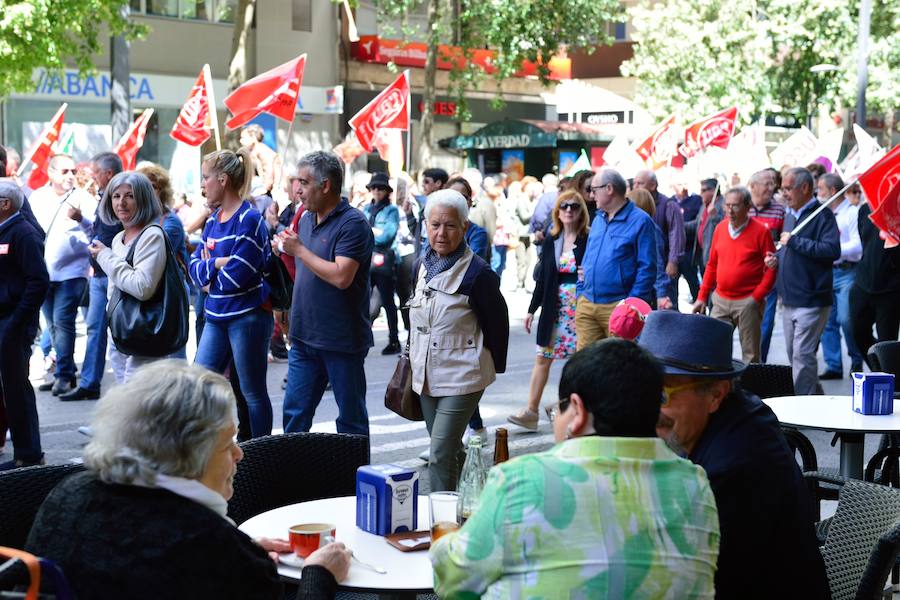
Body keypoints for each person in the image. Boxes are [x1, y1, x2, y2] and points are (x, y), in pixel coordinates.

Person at [26, 360, 350, 600]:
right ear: (190, 455)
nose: (239, 455)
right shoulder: (210, 546)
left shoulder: (67, 495)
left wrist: (242, 552)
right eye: (228, 444)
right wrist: (319, 576)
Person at [431, 338, 720, 598]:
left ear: (578, 411)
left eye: (558, 409)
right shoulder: (695, 485)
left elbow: (454, 582)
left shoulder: (523, 478)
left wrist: (444, 540)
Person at [639, 311, 828, 599]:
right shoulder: (741, 410)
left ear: (716, 394)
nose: (648, 408)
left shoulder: (731, 470)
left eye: (663, 396)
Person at [408, 189, 508, 491]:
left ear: (465, 227)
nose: (441, 233)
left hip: (463, 374)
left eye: (450, 225)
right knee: (450, 448)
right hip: (425, 373)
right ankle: (475, 498)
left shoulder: (478, 273)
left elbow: (497, 324)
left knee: (438, 455)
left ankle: (444, 526)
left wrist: (487, 364)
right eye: (435, 225)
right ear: (426, 225)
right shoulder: (420, 265)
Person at [278, 151, 374, 437]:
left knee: (350, 420)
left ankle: (353, 478)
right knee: (294, 415)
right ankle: (296, 475)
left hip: (341, 340)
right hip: (304, 337)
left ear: (326, 185)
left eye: (304, 183)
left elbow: (342, 276)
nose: (297, 190)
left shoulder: (353, 223)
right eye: (296, 181)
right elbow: (304, 270)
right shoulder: (305, 219)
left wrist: (300, 251)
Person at [190, 148, 274, 439]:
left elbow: (235, 278)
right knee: (198, 384)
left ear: (223, 180)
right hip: (216, 316)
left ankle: (261, 453)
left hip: (247, 319)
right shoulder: (212, 220)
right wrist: (216, 264)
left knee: (252, 392)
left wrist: (210, 274)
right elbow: (195, 269)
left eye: (205, 178)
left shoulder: (249, 219)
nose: (202, 185)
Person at [89, 171, 185, 378]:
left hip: (142, 331)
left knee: (140, 402)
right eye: (116, 196)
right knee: (127, 399)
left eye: (130, 196)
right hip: (121, 330)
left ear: (143, 199)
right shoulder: (118, 239)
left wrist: (105, 256)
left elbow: (142, 287)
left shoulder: (152, 236)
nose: (121, 202)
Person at [508, 190, 589, 432]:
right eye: (563, 206)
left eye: (574, 206)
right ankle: (531, 411)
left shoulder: (589, 239)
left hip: (580, 308)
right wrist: (532, 309)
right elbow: (542, 278)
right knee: (543, 357)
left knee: (578, 362)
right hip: (554, 307)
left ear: (581, 211)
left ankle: (575, 411)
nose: (568, 210)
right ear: (557, 211)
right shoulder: (551, 240)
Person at [764, 167, 840, 395]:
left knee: (801, 355)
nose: (783, 193)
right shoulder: (790, 214)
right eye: (783, 189)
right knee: (794, 354)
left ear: (804, 188)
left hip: (812, 299)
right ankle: (815, 394)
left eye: (788, 188)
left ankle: (803, 405)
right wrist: (777, 259)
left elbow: (831, 250)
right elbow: (790, 248)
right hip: (788, 298)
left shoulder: (823, 215)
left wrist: (795, 242)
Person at [58, 152, 125, 401]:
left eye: (95, 173)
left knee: (119, 333)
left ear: (108, 174)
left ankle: (126, 392)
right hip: (99, 274)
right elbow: (100, 233)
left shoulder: (120, 199)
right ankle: (90, 383)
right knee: (95, 329)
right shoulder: (104, 198)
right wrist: (83, 221)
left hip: (115, 275)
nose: (92, 178)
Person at [29, 154, 97, 396]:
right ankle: (61, 372)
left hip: (73, 272)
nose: (70, 176)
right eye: (65, 171)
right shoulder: (37, 198)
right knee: (53, 325)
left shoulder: (84, 199)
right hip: (43, 272)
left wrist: (81, 219)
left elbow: (97, 233)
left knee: (63, 321)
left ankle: (65, 376)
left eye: (73, 171)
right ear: (51, 173)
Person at [692, 187, 776, 363]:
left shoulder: (761, 232)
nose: (730, 210)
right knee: (714, 348)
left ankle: (748, 389)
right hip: (721, 299)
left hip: (748, 301)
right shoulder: (721, 229)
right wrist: (701, 297)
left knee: (751, 354)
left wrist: (756, 297)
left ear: (748, 207)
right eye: (727, 205)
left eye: (735, 206)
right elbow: (712, 265)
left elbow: (772, 267)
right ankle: (722, 388)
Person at [577, 169, 656, 349]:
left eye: (594, 189)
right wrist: (580, 293)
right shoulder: (598, 219)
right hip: (587, 303)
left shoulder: (640, 221)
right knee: (585, 367)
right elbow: (588, 257)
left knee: (618, 367)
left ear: (609, 189)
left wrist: (630, 306)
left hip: (619, 306)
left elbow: (648, 268)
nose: (591, 195)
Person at [0, 179, 49, 470]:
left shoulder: (23, 233)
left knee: (16, 388)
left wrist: (16, 322)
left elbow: (38, 281)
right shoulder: (6, 230)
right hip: (6, 320)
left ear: (5, 204)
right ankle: (25, 452)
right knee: (10, 388)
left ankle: (28, 454)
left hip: (13, 324)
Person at [818, 172, 864, 378]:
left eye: (821, 190)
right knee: (828, 322)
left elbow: (857, 246)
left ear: (833, 191)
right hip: (828, 272)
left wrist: (833, 248)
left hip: (847, 272)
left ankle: (856, 359)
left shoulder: (852, 213)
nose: (818, 193)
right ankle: (834, 365)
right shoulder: (823, 213)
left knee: (846, 319)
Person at [850, 200, 900, 366]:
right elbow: (864, 242)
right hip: (863, 283)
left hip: (890, 288)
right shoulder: (865, 209)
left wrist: (892, 236)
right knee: (857, 332)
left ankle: (890, 380)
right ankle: (878, 370)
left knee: (887, 343)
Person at [746, 169, 785, 362]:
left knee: (766, 324)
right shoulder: (741, 209)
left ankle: (759, 364)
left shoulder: (780, 210)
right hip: (744, 276)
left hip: (768, 277)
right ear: (752, 186)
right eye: (766, 184)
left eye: (772, 184)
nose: (771, 188)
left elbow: (785, 241)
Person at [362, 172, 401, 355]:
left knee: (387, 302)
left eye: (381, 188)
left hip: (385, 261)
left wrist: (370, 233)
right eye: (374, 187)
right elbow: (359, 234)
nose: (376, 191)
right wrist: (374, 232)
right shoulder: (366, 209)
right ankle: (362, 338)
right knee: (363, 301)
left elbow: (387, 236)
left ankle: (394, 340)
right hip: (367, 260)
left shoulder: (391, 210)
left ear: (387, 191)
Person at [634, 169, 684, 304]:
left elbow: (676, 235)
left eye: (640, 183)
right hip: (648, 270)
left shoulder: (669, 205)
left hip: (665, 265)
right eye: (634, 183)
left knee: (667, 306)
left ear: (653, 185)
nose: (636, 187)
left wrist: (673, 261)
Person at [628, 188, 673, 309]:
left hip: (645, 294)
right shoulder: (635, 228)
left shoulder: (650, 229)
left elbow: (657, 263)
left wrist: (662, 294)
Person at [673, 177, 703, 302]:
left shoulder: (696, 200)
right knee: (672, 286)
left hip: (690, 249)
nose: (683, 186)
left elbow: (700, 222)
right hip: (674, 250)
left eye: (685, 182)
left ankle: (698, 306)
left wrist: (680, 227)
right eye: (680, 183)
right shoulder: (670, 202)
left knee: (693, 281)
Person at [240, 124, 282, 198]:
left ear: (253, 137)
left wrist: (264, 189)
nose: (241, 141)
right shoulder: (252, 152)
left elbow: (269, 170)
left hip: (265, 193)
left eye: (243, 138)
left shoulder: (262, 150)